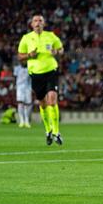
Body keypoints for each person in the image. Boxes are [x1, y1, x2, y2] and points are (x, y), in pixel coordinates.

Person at [17, 14, 64, 145]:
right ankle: (48, 130)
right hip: (36, 74)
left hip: (51, 71)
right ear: (31, 24)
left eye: (40, 21)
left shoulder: (51, 36)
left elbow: (61, 49)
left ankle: (56, 132)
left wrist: (57, 52)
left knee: (52, 100)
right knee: (42, 104)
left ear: (44, 24)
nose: (38, 23)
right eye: (35, 21)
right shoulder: (26, 38)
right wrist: (29, 55)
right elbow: (20, 56)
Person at [13, 60, 32, 128]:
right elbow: (14, 78)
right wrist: (14, 87)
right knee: (20, 103)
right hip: (19, 88)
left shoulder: (30, 68)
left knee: (27, 104)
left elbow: (32, 78)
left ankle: (27, 120)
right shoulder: (17, 68)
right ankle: (21, 120)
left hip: (28, 88)